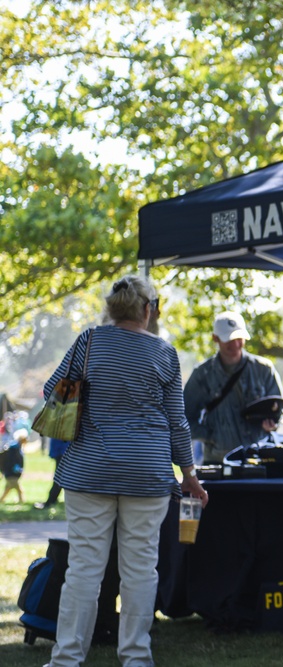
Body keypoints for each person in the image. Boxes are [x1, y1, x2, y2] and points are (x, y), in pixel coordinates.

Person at [41, 274, 208, 667]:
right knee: (140, 568)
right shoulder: (166, 354)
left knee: (83, 568)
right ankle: (135, 656)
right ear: (147, 310)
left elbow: (55, 389)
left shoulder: (89, 340)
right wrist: (189, 474)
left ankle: (66, 658)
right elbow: (177, 423)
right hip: (147, 475)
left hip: (89, 470)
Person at [184, 310, 283, 464]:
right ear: (215, 338)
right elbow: (183, 418)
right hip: (218, 461)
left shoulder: (264, 369)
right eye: (229, 340)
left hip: (259, 459)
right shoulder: (202, 374)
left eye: (239, 338)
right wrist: (211, 436)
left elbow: (279, 408)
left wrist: (273, 422)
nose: (236, 344)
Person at [34, 437, 71, 509]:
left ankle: (51, 500)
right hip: (62, 451)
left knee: (59, 478)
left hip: (63, 451)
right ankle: (52, 500)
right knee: (60, 478)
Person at [0, 427, 27, 504]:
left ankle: (1, 500)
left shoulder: (17, 447)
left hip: (12, 472)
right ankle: (21, 501)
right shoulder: (13, 448)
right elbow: (11, 461)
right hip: (11, 472)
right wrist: (15, 468)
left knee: (8, 488)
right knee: (19, 489)